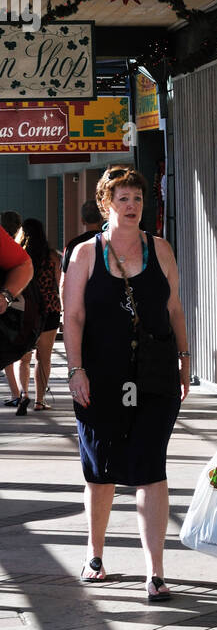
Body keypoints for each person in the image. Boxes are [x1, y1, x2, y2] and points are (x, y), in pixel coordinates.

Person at [62, 166, 190, 599]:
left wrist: (185, 356)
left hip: (153, 374)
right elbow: (73, 316)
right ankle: (94, 553)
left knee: (151, 467)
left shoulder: (161, 250)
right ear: (106, 204)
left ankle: (155, 572)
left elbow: (174, 308)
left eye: (137, 198)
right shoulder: (84, 254)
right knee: (100, 470)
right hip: (100, 374)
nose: (132, 206)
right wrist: (75, 369)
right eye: (123, 199)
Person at [5, 219, 61, 414]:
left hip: (26, 312)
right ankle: (39, 400)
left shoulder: (19, 257)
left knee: (24, 357)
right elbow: (57, 283)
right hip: (50, 309)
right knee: (44, 357)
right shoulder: (52, 257)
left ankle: (24, 395)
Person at [0, 226, 34, 408]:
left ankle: (17, 393)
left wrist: (5, 296)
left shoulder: (14, 249)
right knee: (34, 358)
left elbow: (23, 264)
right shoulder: (51, 255)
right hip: (40, 312)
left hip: (24, 311)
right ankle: (28, 394)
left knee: (16, 359)